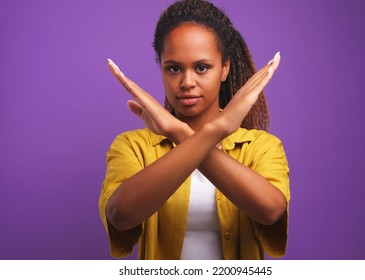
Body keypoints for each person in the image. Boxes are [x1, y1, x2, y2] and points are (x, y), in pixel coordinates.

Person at [99, 0, 290, 260]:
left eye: (202, 67)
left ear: (224, 68)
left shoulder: (261, 146)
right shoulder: (133, 146)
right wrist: (214, 131)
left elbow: (270, 210)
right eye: (174, 68)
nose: (187, 82)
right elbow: (121, 216)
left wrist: (181, 134)